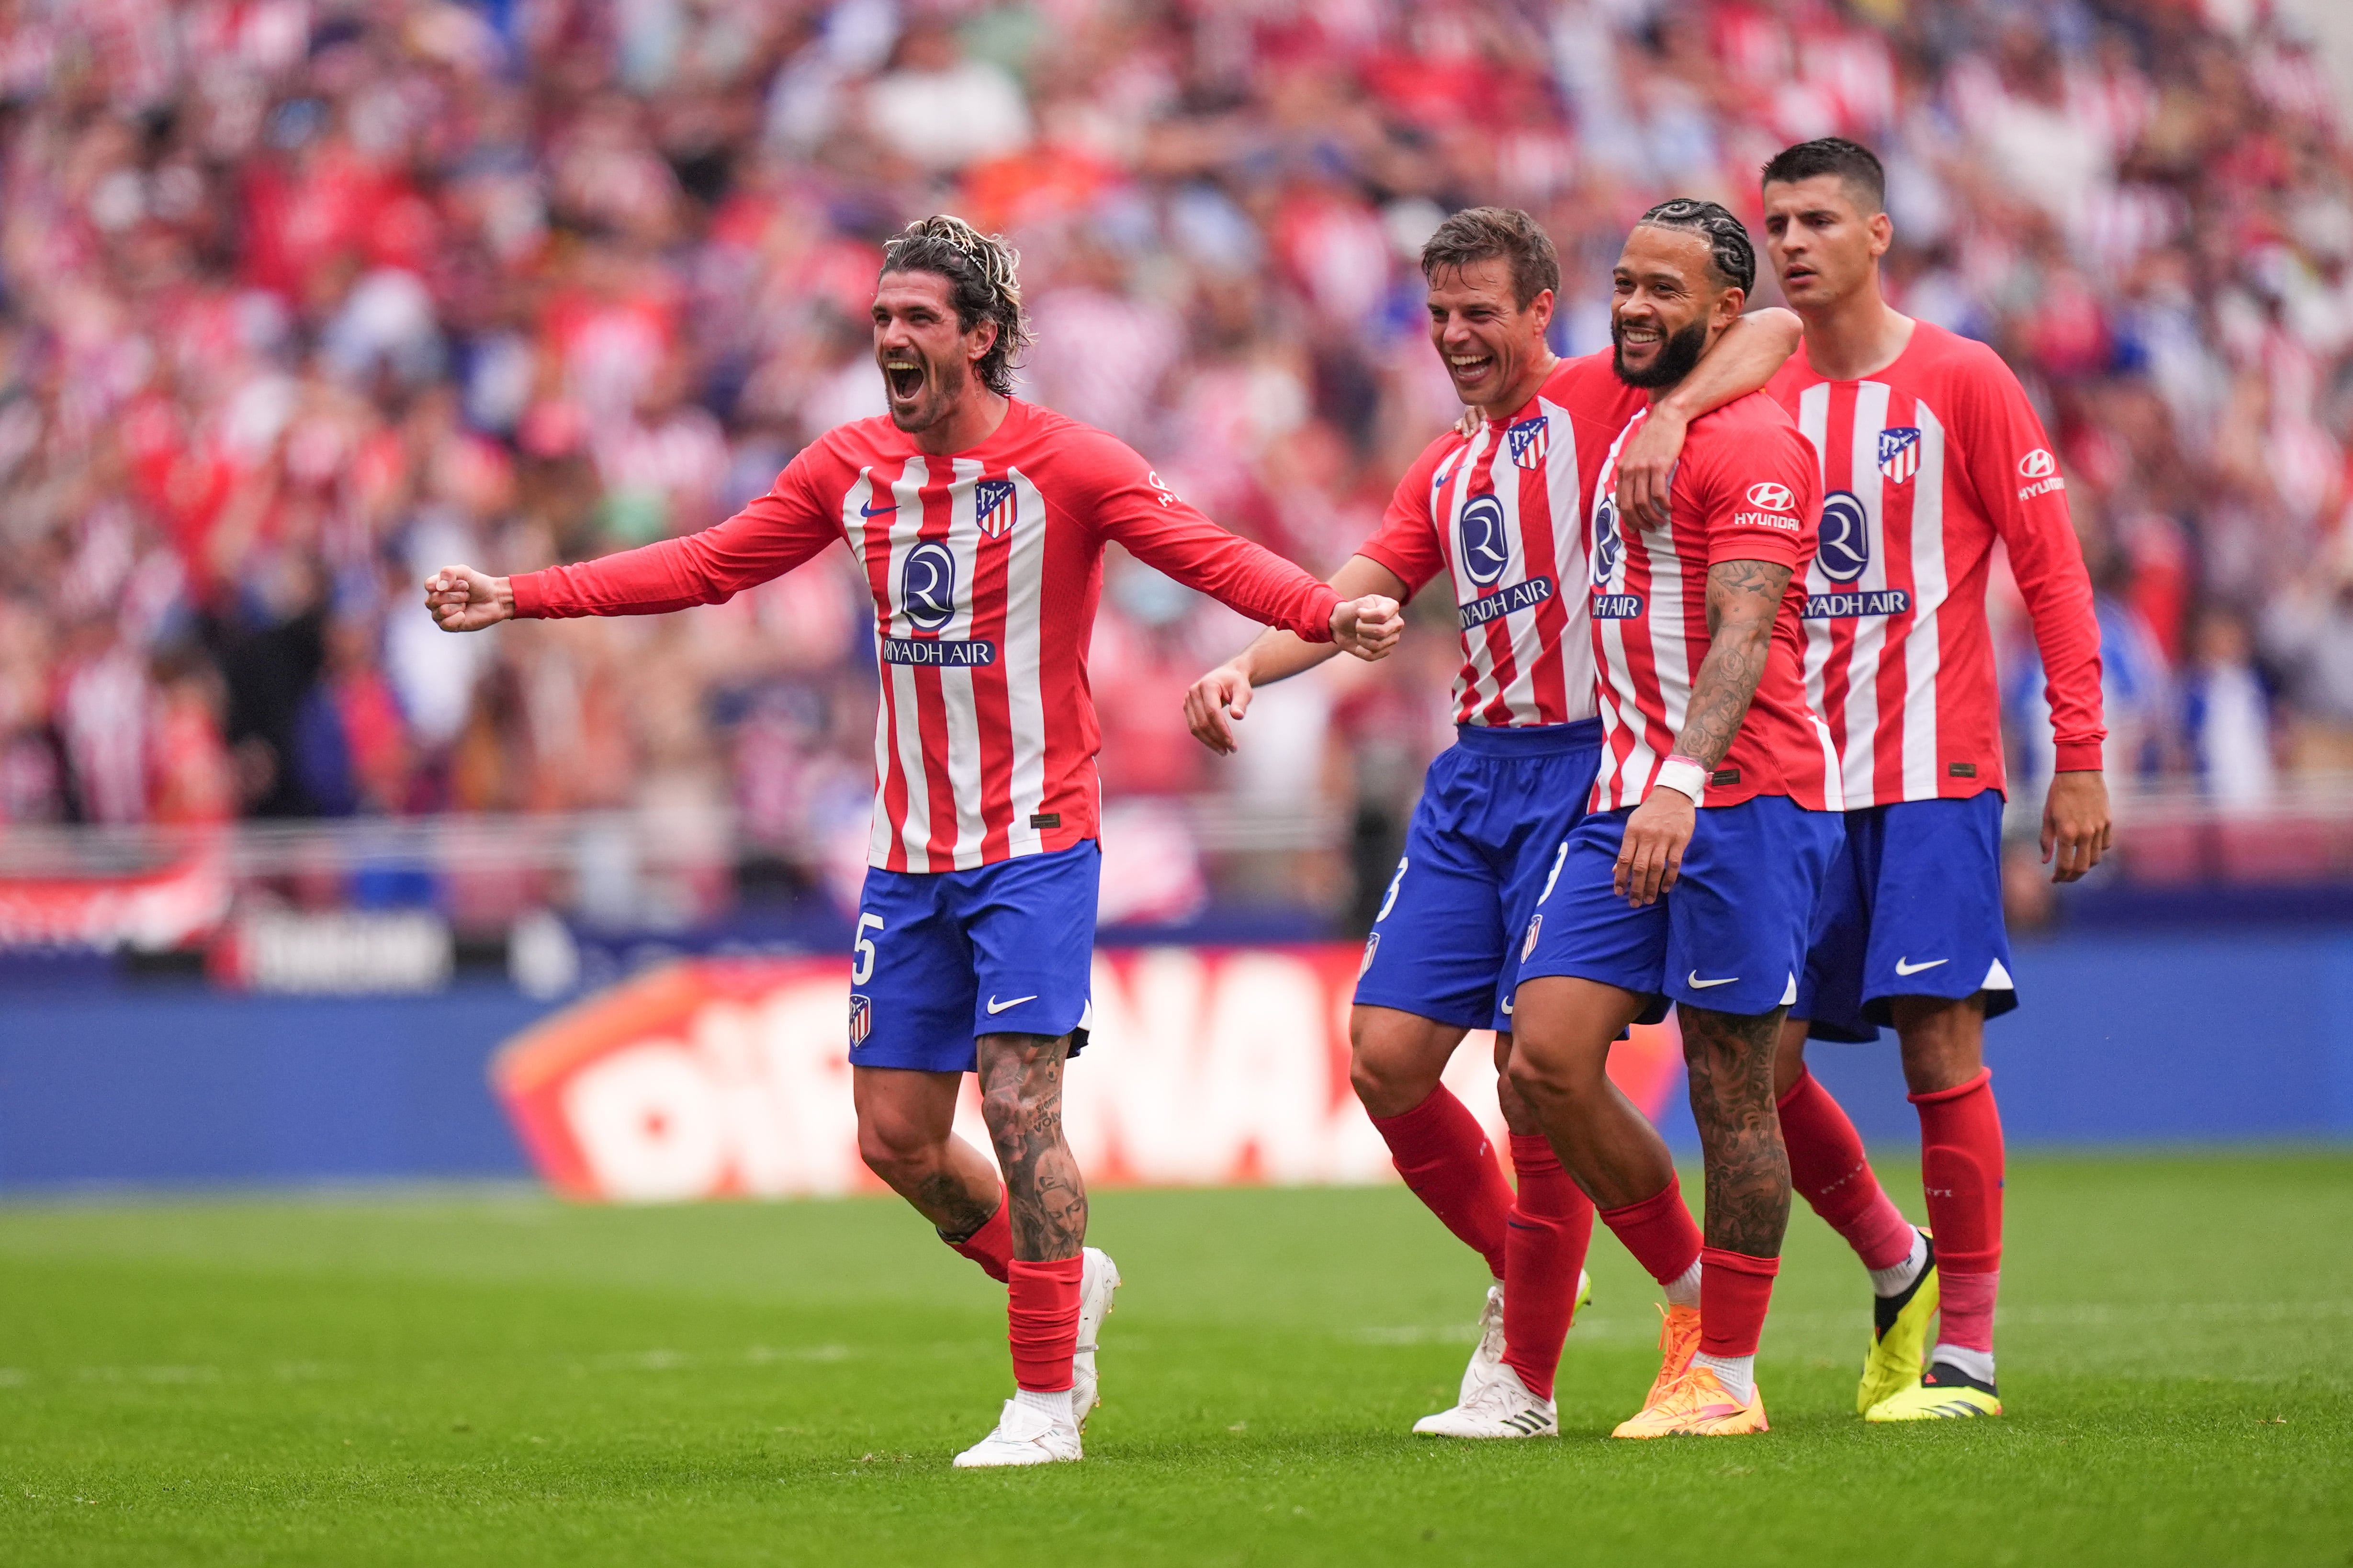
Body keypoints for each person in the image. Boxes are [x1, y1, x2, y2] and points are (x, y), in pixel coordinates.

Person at [424, 215, 1404, 1467]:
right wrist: (523, 594)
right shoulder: (848, 468)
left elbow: (1208, 554)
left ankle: (1045, 1404)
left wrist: (1331, 610)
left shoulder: (1075, 465)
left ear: (979, 337)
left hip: (1038, 837)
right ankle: (1065, 1273)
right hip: (910, 850)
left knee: (1016, 1101)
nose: (890, 337)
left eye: (917, 319)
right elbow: (712, 563)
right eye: (881, 318)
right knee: (892, 1135)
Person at [1182, 206, 1801, 1439]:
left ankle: (1524, 1379)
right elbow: (1363, 582)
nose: (1459, 335)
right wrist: (1249, 664)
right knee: (1387, 1059)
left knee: (1539, 1081)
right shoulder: (1449, 461)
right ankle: (1549, 1277)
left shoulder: (1601, 397)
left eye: (1483, 313)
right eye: (1443, 314)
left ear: (1538, 314)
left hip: (1589, 766)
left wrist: (1673, 412)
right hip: (1475, 777)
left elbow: (1776, 324)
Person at [1758, 137, 2109, 1421]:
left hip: (1929, 768)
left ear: (1875, 235)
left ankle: (1965, 1347)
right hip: (1782, 782)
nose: (1789, 242)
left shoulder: (1963, 378)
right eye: (1774, 222)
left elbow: (2052, 573)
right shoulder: (1749, 381)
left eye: (1812, 220)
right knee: (1749, 1053)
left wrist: (2077, 756)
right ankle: (1889, 1252)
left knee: (1936, 1037)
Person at [1507, 198, 1842, 1439]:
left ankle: (1730, 1383)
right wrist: (1659, 403)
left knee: (1729, 1085)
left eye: (1667, 291)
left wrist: (1681, 782)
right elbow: (1757, 324)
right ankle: (1696, 1300)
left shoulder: (1749, 444)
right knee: (1540, 1056)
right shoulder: (1617, 404)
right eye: (1625, 282)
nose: (1636, 306)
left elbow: (1744, 632)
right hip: (1622, 796)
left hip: (1735, 796)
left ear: (1716, 309)